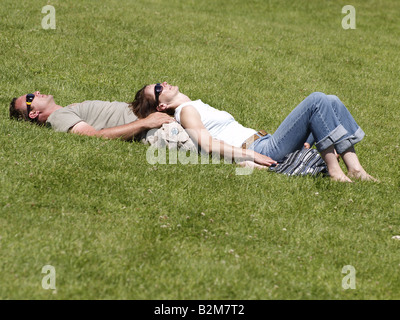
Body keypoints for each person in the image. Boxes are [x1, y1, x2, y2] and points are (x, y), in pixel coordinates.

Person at [130, 82, 377, 182]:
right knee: (316, 101)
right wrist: (250, 156)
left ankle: (355, 169)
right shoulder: (185, 111)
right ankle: (336, 171)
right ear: (162, 105)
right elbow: (208, 145)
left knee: (330, 100)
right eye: (159, 88)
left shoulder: (194, 104)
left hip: (264, 140)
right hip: (259, 149)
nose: (164, 83)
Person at [9, 91, 174, 140]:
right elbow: (94, 136)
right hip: (159, 128)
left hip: (157, 116)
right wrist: (144, 123)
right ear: (33, 113)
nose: (36, 92)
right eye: (31, 97)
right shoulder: (58, 117)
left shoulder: (66, 110)